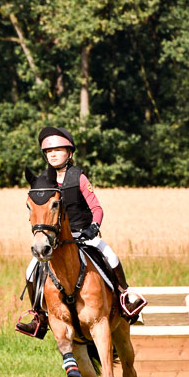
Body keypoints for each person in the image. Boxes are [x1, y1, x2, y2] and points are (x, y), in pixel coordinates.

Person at [16, 126, 146, 337]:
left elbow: (96, 208)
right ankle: (39, 316)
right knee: (31, 270)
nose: (53, 154)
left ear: (70, 153)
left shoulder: (79, 177)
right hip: (55, 240)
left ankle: (125, 299)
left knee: (110, 257)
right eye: (49, 151)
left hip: (84, 236)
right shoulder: (42, 181)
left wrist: (93, 227)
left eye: (58, 150)